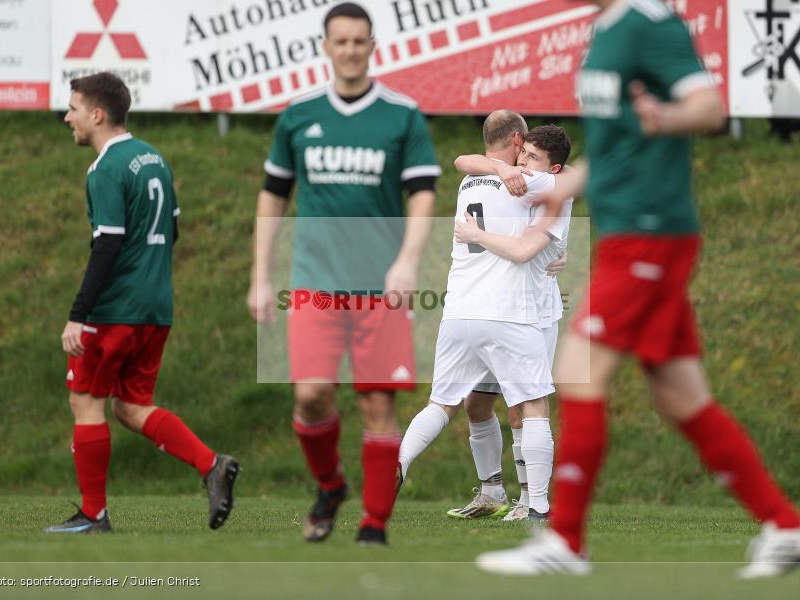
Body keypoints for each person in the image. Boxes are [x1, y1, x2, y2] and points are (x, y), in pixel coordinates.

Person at [476, 0, 800, 578]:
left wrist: (660, 117)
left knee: (577, 370)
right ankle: (788, 527)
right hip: (627, 233)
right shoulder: (607, 29)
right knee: (681, 396)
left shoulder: (651, 23)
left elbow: (707, 107)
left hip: (651, 233)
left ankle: (564, 541)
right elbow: (619, 142)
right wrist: (569, 185)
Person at [247, 2, 440, 546]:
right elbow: (273, 197)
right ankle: (330, 485)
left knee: (377, 403)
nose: (351, 50)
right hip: (315, 284)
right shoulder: (299, 115)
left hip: (381, 289)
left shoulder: (401, 115)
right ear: (326, 47)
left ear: (372, 46)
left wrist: (406, 261)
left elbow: (423, 194)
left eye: (360, 41)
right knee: (310, 396)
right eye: (342, 41)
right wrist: (259, 276)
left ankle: (374, 525)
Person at [47, 72, 240, 534]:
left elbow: (108, 243)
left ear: (97, 114)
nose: (67, 116)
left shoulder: (106, 168)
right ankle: (211, 464)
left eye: (73, 107)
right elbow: (171, 230)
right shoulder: (155, 158)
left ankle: (93, 515)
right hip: (156, 307)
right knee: (130, 406)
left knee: (86, 402)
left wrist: (78, 314)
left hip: (115, 311)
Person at [398, 114, 578, 522]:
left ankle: (530, 501)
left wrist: (550, 248)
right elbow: (472, 162)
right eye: (525, 153)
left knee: (504, 404)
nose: (525, 162)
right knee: (483, 404)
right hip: (504, 311)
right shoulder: (514, 177)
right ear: (516, 141)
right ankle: (499, 494)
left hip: (514, 309)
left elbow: (464, 161)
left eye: (534, 157)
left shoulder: (487, 181)